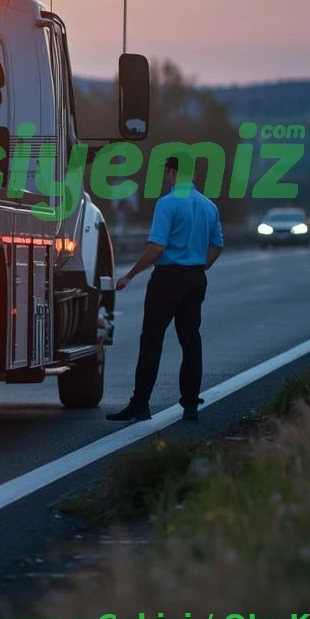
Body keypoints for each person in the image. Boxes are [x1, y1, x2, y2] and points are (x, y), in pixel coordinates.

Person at [106, 156, 224, 422]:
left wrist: (130, 275)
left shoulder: (167, 203)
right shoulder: (208, 205)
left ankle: (140, 404)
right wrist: (201, 267)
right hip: (195, 278)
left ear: (171, 172)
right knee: (190, 341)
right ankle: (191, 405)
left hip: (168, 278)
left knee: (152, 341)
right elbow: (218, 243)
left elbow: (157, 247)